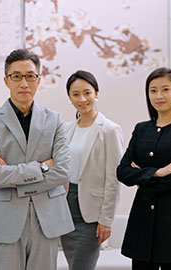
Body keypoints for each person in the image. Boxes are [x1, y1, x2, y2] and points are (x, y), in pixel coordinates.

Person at [0, 49, 74, 270]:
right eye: (16, 76)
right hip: (4, 218)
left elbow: (63, 171)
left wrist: (13, 177)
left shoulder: (55, 119)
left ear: (38, 80)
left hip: (47, 218)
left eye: (30, 76)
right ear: (6, 80)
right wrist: (42, 166)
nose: (24, 83)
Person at [116, 67, 171, 270]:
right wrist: (157, 171)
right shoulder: (141, 129)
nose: (158, 96)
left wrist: (142, 178)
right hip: (142, 222)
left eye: (165, 89)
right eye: (153, 90)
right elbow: (122, 171)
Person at [60, 70, 123, 270]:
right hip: (66, 208)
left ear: (96, 93)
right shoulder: (66, 129)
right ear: (69, 97)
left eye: (87, 92)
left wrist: (106, 220)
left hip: (91, 215)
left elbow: (114, 179)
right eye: (75, 94)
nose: (82, 99)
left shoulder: (109, 130)